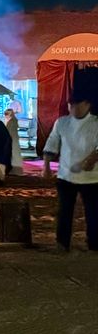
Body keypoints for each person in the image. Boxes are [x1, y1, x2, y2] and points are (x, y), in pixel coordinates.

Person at [42, 93, 98, 252]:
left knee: (93, 213)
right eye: (70, 105)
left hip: (92, 178)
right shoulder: (62, 123)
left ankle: (94, 244)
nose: (73, 109)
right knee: (64, 211)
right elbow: (51, 144)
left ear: (87, 105)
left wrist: (91, 160)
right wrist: (46, 166)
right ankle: (62, 243)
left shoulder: (96, 123)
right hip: (66, 175)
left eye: (77, 105)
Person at [3, 109, 24, 175]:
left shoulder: (11, 121)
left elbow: (9, 132)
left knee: (13, 154)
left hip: (12, 140)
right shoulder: (13, 120)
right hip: (13, 140)